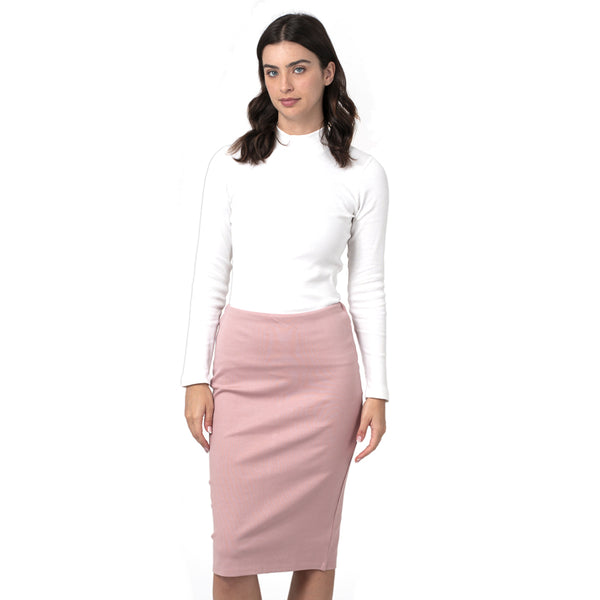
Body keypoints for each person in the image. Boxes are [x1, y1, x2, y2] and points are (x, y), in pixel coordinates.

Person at [181, 12, 389, 600]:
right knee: (233, 553)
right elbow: (210, 277)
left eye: (298, 68)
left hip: (325, 375)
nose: (284, 85)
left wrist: (378, 390)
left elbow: (368, 287)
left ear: (328, 72)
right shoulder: (231, 166)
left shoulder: (363, 175)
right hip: (244, 366)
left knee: (315, 548)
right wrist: (195, 376)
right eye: (271, 72)